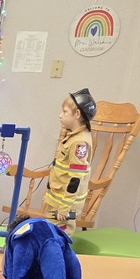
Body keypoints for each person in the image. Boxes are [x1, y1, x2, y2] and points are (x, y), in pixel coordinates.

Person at [41, 88, 95, 236]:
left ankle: (59, 251)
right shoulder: (73, 136)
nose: (60, 115)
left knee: (58, 236)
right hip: (57, 198)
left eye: (65, 112)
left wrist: (64, 208)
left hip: (64, 204)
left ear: (77, 114)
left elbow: (75, 178)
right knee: (49, 232)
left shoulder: (79, 142)